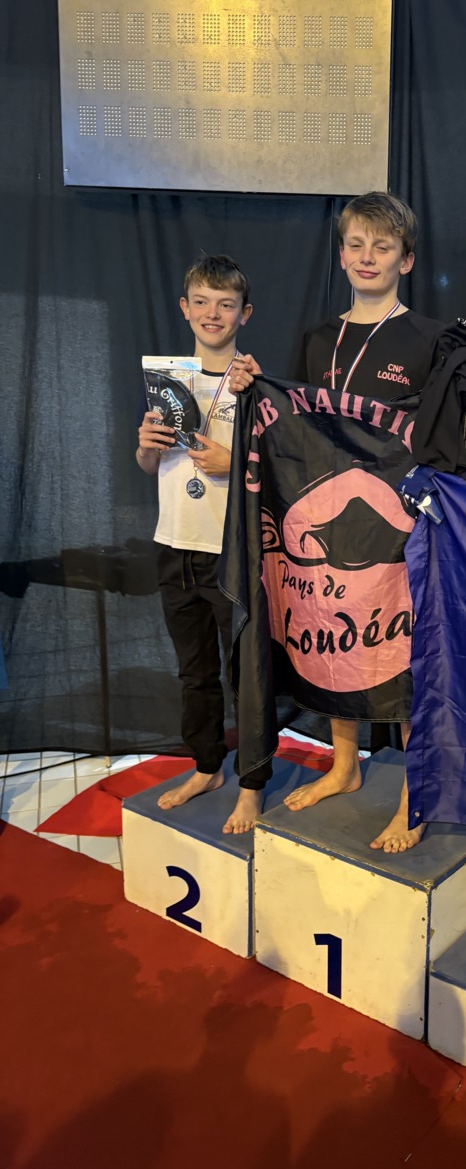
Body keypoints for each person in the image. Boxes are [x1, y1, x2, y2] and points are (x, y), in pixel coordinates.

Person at [228, 192, 466, 853]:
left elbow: (451, 440)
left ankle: (414, 796)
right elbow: (296, 426)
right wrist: (256, 386)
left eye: (383, 246)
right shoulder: (320, 338)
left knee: (403, 657)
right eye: (356, 244)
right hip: (328, 521)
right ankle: (344, 766)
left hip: (398, 525)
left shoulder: (431, 339)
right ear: (341, 254)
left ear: (406, 259)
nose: (367, 257)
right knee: (336, 647)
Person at [136, 253, 268, 835]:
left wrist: (232, 462)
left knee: (246, 676)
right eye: (202, 302)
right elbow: (150, 464)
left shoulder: (254, 384)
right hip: (174, 545)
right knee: (194, 674)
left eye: (226, 304)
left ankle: (252, 785)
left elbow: (278, 472)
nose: (213, 313)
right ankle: (207, 767)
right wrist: (145, 446)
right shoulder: (167, 380)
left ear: (244, 314)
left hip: (230, 550)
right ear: (185, 309)